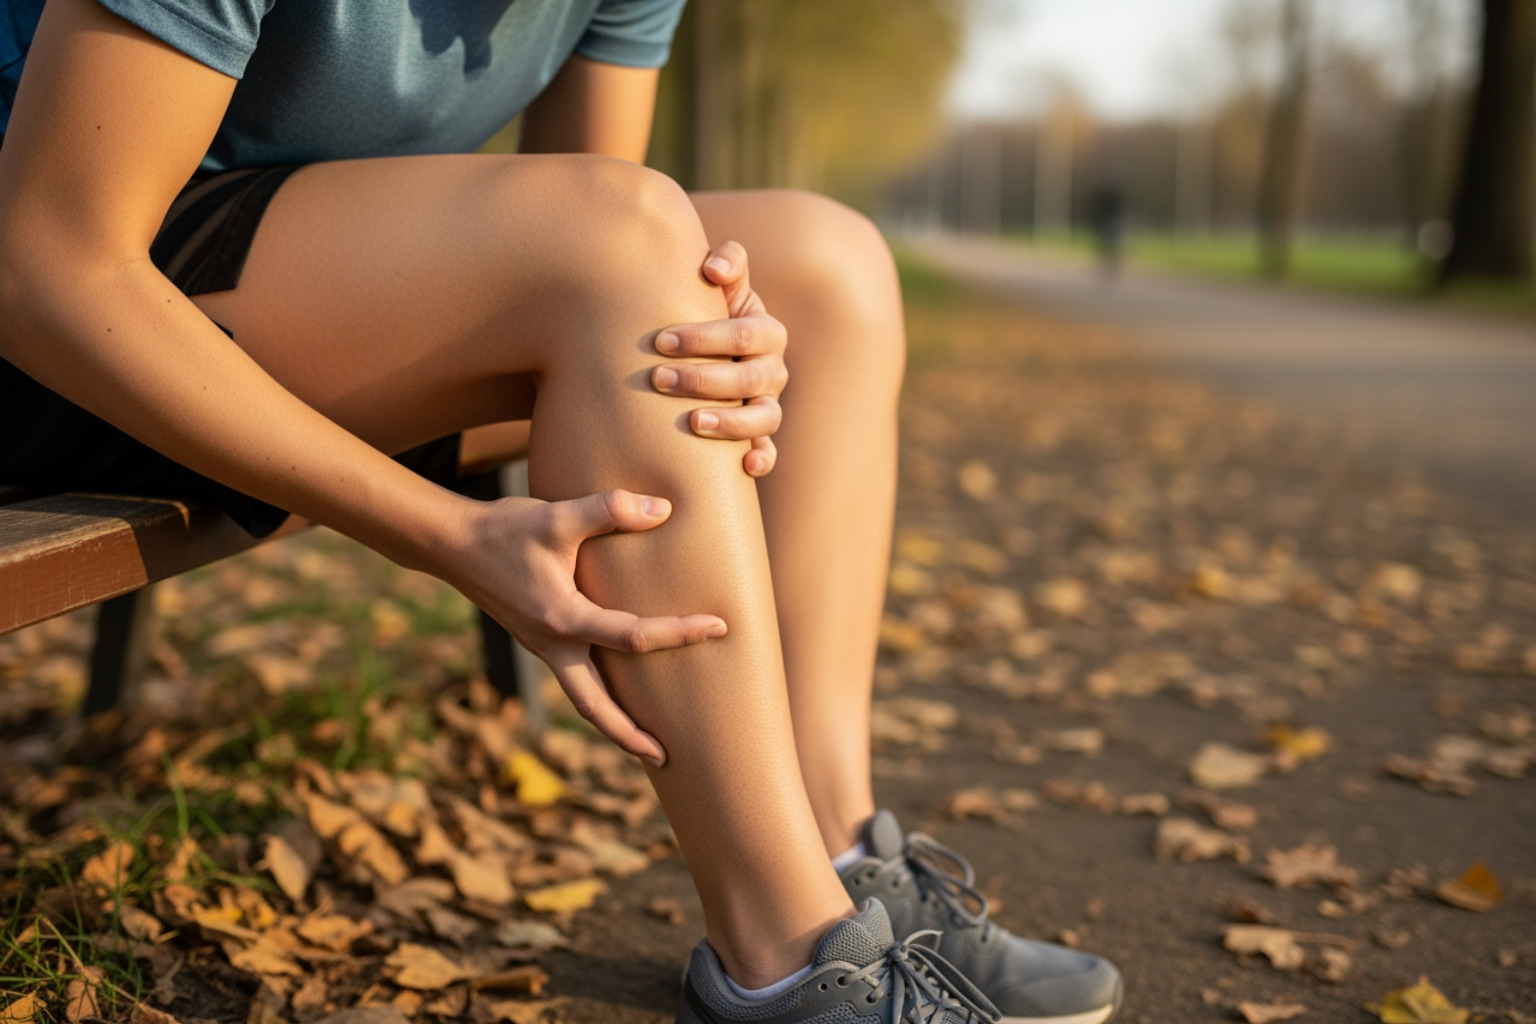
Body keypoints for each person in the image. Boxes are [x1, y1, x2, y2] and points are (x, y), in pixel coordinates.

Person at [0, 2, 1123, 1021]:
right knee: (619, 242)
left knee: (826, 272)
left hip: (268, 275)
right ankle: (792, 962)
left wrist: (724, 334)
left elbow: (613, 213)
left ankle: (838, 855)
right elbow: (48, 257)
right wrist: (443, 533)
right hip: (66, 310)